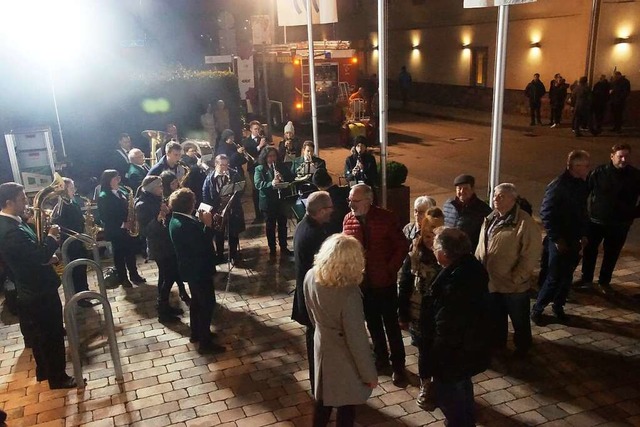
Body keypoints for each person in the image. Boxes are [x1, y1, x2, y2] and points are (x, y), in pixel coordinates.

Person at [0, 182, 78, 389]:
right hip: (37, 290)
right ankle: (58, 377)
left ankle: (44, 371)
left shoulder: (14, 223)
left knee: (41, 336)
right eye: (22, 198)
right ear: (9, 202)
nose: (26, 202)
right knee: (51, 336)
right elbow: (37, 256)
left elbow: (31, 252)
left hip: (34, 288)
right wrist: (51, 237)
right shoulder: (9, 231)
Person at [303, 234, 378, 427]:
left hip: (323, 346)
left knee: (323, 400)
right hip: (344, 357)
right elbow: (357, 340)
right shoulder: (349, 294)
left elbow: (311, 314)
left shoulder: (311, 275)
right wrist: (369, 375)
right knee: (346, 405)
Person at [423, 227, 491, 427]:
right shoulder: (472, 269)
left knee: (451, 398)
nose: (433, 251)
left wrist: (433, 358)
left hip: (453, 355)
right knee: (463, 388)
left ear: (444, 254)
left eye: (435, 248)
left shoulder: (454, 283)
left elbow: (446, 325)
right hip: (468, 350)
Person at [343, 183, 408, 386]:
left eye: (355, 200)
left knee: (391, 325)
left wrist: (391, 268)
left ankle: (398, 366)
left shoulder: (386, 218)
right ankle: (381, 359)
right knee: (372, 323)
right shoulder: (348, 219)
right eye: (350, 200)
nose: (351, 205)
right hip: (362, 284)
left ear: (369, 200)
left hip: (384, 282)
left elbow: (401, 245)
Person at [475, 183, 541, 357]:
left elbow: (530, 253)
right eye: (495, 195)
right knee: (496, 318)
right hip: (492, 282)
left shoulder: (524, 222)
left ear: (513, 199)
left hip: (513, 286)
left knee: (519, 320)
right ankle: (498, 345)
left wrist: (517, 277)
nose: (496, 199)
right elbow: (482, 245)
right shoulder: (491, 218)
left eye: (501, 196)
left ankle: (523, 348)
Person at [531, 150, 590, 325]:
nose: (588, 169)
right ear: (575, 166)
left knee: (567, 277)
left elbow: (582, 212)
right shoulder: (558, 185)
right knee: (554, 277)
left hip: (574, 239)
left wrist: (584, 234)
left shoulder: (581, 184)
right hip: (560, 241)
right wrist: (556, 239)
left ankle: (558, 307)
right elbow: (546, 213)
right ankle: (538, 309)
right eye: (586, 165)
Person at [168, 188, 226, 355]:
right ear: (189, 205)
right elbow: (202, 245)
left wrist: (203, 222)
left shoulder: (178, 218)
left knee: (196, 303)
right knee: (207, 304)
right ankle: (205, 343)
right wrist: (207, 225)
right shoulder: (184, 225)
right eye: (193, 202)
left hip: (192, 268)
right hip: (198, 269)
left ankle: (197, 333)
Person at [578, 144, 640, 292]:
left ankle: (604, 282)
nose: (624, 159)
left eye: (626, 156)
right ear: (612, 156)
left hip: (620, 224)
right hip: (596, 222)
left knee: (611, 254)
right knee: (590, 251)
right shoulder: (599, 173)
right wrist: (583, 214)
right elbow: (583, 192)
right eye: (620, 156)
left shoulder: (636, 176)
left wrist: (633, 213)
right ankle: (586, 280)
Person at [398, 209, 443, 410]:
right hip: (420, 316)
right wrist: (403, 313)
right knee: (424, 352)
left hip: (442, 317)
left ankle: (442, 386)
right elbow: (405, 285)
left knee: (441, 353)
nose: (430, 241)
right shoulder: (414, 256)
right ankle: (426, 386)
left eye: (435, 236)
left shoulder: (450, 258)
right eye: (426, 236)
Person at [292, 191, 334, 393]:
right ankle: (318, 385)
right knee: (315, 343)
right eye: (330, 208)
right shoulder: (315, 235)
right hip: (313, 299)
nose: (332, 212)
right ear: (321, 211)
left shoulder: (304, 224)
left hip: (306, 295)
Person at [97, 170, 145, 288]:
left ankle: (134, 275)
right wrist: (123, 224)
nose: (119, 180)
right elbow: (104, 216)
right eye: (115, 178)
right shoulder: (103, 196)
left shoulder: (122, 191)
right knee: (119, 255)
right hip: (116, 230)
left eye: (118, 177)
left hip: (128, 228)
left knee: (130, 252)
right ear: (108, 180)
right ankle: (123, 278)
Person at [51, 178, 91, 306]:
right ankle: (79, 298)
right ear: (64, 189)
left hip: (78, 240)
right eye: (72, 188)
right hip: (72, 243)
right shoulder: (62, 206)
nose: (74, 190)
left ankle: (84, 291)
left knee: (82, 268)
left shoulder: (71, 203)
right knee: (76, 271)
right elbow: (60, 225)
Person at [202, 154, 246, 264]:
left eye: (226, 165)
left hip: (232, 209)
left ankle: (233, 255)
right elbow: (205, 195)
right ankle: (220, 255)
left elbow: (241, 189)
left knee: (233, 233)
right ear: (216, 164)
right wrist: (213, 212)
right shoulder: (210, 178)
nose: (224, 168)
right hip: (217, 210)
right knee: (218, 234)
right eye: (221, 165)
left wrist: (233, 197)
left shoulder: (234, 175)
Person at [254, 146, 293, 256]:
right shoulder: (259, 169)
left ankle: (284, 247)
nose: (272, 159)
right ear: (265, 158)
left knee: (282, 224)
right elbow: (258, 184)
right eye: (270, 156)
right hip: (268, 202)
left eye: (274, 156)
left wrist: (282, 178)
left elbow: (291, 177)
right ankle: (272, 248)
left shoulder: (281, 167)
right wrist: (271, 183)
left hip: (281, 201)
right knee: (270, 226)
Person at [443, 174, 492, 249]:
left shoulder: (483, 210)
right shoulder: (448, 205)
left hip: (468, 252)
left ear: (472, 189)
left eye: (465, 188)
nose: (462, 191)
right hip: (448, 250)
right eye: (459, 188)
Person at [243, 120, 269, 221]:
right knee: (256, 190)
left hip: (263, 167)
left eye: (258, 129)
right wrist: (259, 146)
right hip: (253, 168)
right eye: (255, 129)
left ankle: (265, 212)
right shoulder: (246, 141)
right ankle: (258, 215)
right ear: (251, 130)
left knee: (265, 188)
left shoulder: (263, 139)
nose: (257, 131)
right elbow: (249, 154)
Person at [311, 168, 350, 234]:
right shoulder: (346, 191)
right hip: (349, 227)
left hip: (333, 234)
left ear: (318, 187)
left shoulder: (322, 201)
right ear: (330, 180)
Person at [180, 141, 208, 208]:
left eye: (195, 151)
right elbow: (190, 170)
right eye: (192, 151)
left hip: (198, 183)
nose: (194, 152)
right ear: (186, 152)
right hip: (191, 184)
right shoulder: (184, 160)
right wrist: (197, 165)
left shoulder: (194, 158)